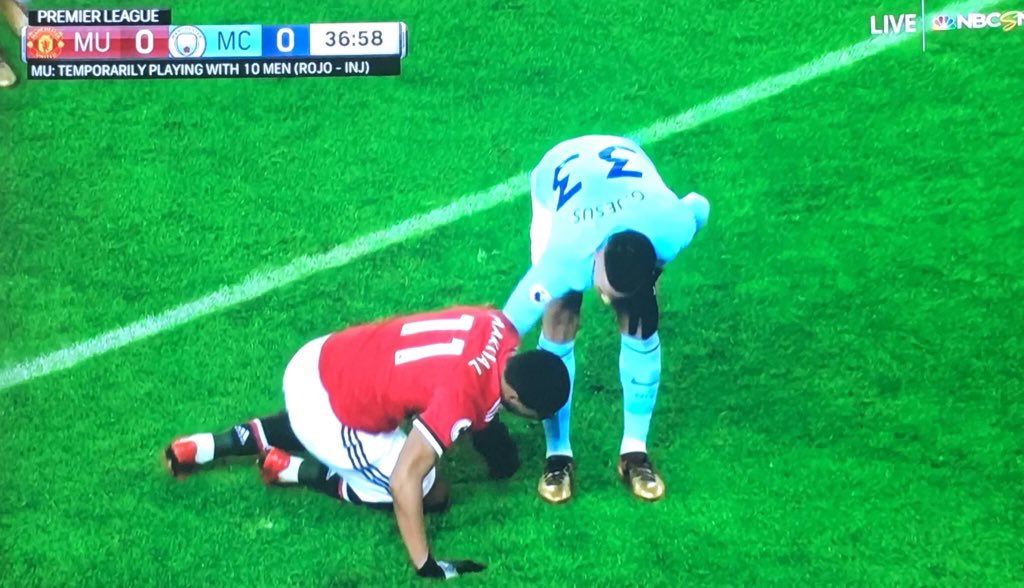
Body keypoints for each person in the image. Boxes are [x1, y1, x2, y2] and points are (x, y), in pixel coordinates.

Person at [164, 306, 570, 580]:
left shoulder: (498, 325)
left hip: (323, 356)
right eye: (533, 415)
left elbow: (463, 376)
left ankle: (207, 445)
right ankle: (292, 470)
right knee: (432, 492)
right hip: (329, 413)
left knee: (351, 408)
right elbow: (403, 480)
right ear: (513, 397)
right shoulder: (460, 399)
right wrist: (426, 564)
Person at [502, 135, 710, 503]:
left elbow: (699, 206)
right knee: (560, 312)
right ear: (596, 254)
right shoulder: (564, 256)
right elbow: (504, 326)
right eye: (603, 287)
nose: (603, 299)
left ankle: (634, 452)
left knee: (640, 315)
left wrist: (649, 278)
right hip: (559, 170)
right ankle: (557, 454)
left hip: (629, 176)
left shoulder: (672, 226)